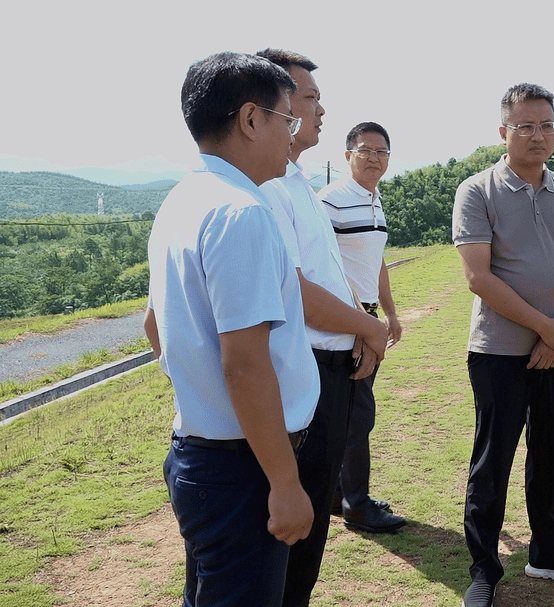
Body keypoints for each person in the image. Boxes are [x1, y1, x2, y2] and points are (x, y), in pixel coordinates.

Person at [143, 51, 318, 607]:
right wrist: (285, 484)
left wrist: (198, 391)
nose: (292, 135)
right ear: (250, 120)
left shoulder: (181, 200)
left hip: (202, 455)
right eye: (286, 119)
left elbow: (155, 325)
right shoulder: (242, 211)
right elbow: (245, 362)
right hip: (242, 468)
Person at [254, 49, 394, 607]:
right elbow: (292, 291)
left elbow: (329, 275)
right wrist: (369, 326)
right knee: (289, 542)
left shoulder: (297, 183)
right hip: (306, 370)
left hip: (334, 362)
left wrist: (361, 328)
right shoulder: (268, 189)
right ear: (271, 106)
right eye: (308, 98)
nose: (319, 109)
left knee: (308, 538)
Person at [451, 83, 554, 607]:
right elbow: (478, 277)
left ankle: (547, 551)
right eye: (526, 126)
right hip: (498, 349)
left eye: (547, 125)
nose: (538, 136)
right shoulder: (477, 190)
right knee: (493, 459)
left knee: (551, 452)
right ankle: (485, 568)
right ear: (503, 132)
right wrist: (547, 326)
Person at [318, 121, 407, 533]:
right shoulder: (330, 201)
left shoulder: (374, 200)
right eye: (365, 150)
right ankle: (357, 504)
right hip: (343, 321)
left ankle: (338, 494)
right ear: (347, 154)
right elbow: (325, 268)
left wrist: (389, 312)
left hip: (367, 318)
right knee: (356, 415)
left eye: (381, 152)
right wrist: (359, 324)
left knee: (351, 411)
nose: (374, 158)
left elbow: (376, 262)